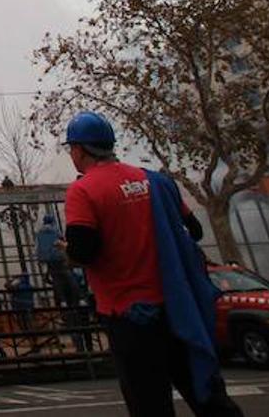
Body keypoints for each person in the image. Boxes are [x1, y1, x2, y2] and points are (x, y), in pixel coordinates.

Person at [61, 110, 243, 417]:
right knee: (208, 395)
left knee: (149, 404)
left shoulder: (84, 190)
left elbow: (84, 252)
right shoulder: (157, 182)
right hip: (179, 309)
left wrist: (68, 251)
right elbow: (194, 231)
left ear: (78, 150)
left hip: (130, 317)